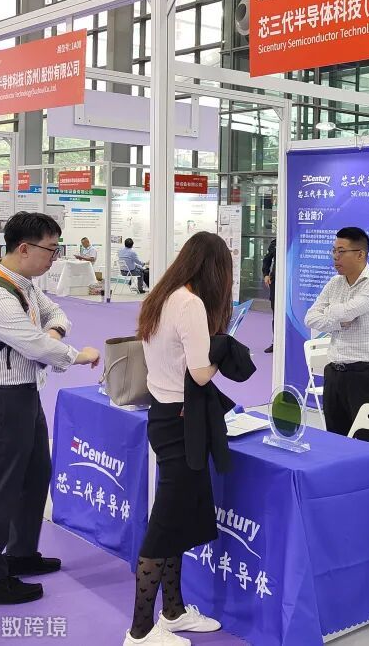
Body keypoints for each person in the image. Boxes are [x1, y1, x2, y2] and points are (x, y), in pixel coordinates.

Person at [0, 212, 101, 606]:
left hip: (25, 397)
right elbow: (36, 346)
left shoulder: (24, 286)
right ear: (24, 248)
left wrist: (53, 331)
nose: (54, 258)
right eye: (50, 250)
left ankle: (20, 553)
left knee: (35, 477)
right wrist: (77, 354)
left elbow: (58, 316)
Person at [127, 232, 231, 646]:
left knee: (176, 522)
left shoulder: (163, 296)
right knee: (166, 525)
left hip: (165, 415)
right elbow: (201, 374)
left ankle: (173, 611)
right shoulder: (190, 304)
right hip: (180, 423)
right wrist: (224, 350)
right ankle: (139, 632)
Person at [304, 227, 369, 444]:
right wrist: (340, 322)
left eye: (341, 251)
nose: (335, 257)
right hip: (334, 372)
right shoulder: (335, 283)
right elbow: (311, 318)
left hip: (363, 375)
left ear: (360, 254)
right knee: (335, 440)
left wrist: (333, 313)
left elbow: (347, 312)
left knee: (368, 441)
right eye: (334, 250)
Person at [261, 238, 276, 354]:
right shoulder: (275, 243)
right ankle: (275, 342)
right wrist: (266, 274)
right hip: (276, 282)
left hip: (294, 283)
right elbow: (267, 259)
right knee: (276, 313)